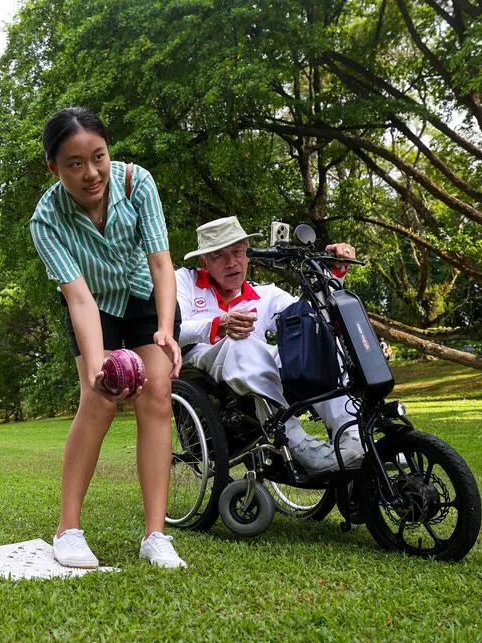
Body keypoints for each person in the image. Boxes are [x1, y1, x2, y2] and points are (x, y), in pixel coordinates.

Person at [29, 107, 185, 570]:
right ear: (54, 168)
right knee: (97, 401)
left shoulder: (138, 183)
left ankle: (156, 534)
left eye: (98, 156)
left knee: (157, 396)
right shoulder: (46, 219)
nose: (91, 173)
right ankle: (68, 529)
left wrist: (165, 327)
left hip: (142, 296)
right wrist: (98, 367)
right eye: (74, 163)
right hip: (93, 303)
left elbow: (161, 264)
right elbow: (78, 299)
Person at [176, 216, 361, 473]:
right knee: (241, 344)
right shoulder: (184, 281)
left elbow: (308, 317)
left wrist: (334, 272)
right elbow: (171, 330)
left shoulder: (266, 294)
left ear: (248, 255)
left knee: (320, 346)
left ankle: (352, 438)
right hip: (202, 366)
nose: (232, 262)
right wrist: (218, 324)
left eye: (238, 252)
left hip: (255, 368)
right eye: (219, 255)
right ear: (203, 261)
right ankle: (299, 445)